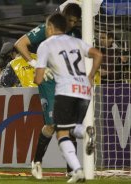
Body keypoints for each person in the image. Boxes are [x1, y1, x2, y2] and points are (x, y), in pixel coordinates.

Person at [14, 3, 82, 179]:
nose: (72, 24)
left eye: (76, 21)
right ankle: (36, 163)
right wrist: (34, 63)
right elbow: (20, 44)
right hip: (48, 82)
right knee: (53, 124)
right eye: (70, 20)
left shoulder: (76, 34)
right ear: (64, 16)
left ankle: (71, 170)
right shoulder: (47, 28)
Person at [34, 13, 102, 183]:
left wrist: (41, 71)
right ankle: (76, 170)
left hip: (66, 91)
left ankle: (79, 166)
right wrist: (91, 75)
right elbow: (98, 55)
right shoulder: (77, 41)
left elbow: (38, 79)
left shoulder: (46, 45)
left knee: (62, 132)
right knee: (71, 128)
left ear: (50, 27)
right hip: (85, 90)